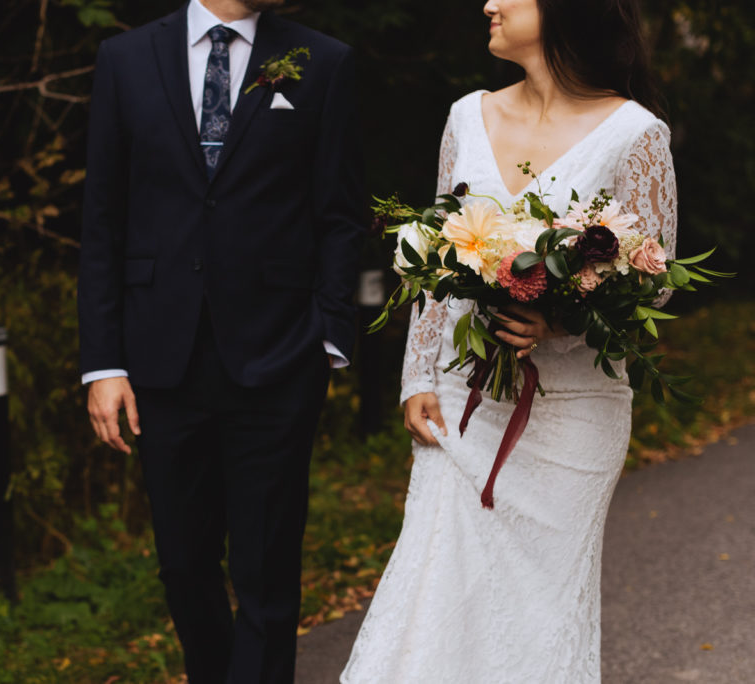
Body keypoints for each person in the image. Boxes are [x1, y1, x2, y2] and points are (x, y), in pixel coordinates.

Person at [342, 0, 676, 681]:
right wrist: (416, 377)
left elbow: (655, 278)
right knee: (434, 590)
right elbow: (434, 262)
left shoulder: (636, 133)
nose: (488, 4)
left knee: (541, 614)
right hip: (464, 399)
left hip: (574, 412)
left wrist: (558, 320)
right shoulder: (469, 114)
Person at [78, 0, 364, 680]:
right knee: (183, 563)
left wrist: (327, 335)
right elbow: (102, 220)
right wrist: (102, 362)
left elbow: (342, 214)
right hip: (159, 357)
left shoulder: (323, 62)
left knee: (267, 569)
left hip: (279, 354)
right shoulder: (125, 60)